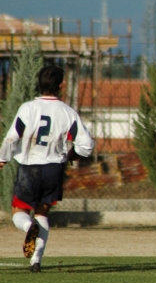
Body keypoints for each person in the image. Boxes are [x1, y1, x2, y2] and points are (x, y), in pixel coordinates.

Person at [0, 65, 95, 272]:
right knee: (42, 213)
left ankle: (27, 226)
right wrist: (73, 154)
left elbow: (12, 137)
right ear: (61, 86)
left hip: (29, 168)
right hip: (54, 169)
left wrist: (2, 159)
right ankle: (36, 261)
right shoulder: (68, 112)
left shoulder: (28, 108)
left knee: (18, 210)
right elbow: (86, 145)